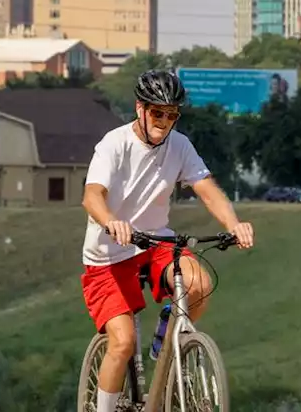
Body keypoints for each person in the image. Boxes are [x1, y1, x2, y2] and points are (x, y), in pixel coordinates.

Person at [81, 69, 255, 412]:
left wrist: (234, 223)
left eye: (171, 114)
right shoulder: (114, 144)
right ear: (140, 109)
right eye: (157, 112)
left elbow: (207, 190)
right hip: (108, 252)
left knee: (200, 286)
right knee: (122, 342)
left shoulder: (180, 145)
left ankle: (165, 343)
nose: (164, 120)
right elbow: (92, 196)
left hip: (156, 242)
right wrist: (111, 222)